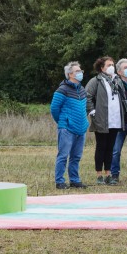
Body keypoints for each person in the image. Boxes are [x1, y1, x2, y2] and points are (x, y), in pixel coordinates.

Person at [85, 56, 127, 186]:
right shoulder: (96, 81)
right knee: (101, 147)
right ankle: (99, 175)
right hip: (102, 120)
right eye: (108, 65)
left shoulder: (117, 80)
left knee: (110, 148)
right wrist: (92, 112)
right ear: (102, 68)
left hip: (115, 119)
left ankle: (108, 174)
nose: (112, 67)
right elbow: (87, 96)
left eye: (113, 64)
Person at [50, 61, 89, 190]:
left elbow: (84, 108)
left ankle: (74, 180)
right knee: (63, 155)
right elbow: (54, 109)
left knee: (76, 157)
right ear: (70, 74)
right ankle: (60, 181)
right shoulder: (62, 90)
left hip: (81, 128)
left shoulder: (82, 89)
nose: (80, 73)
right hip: (67, 127)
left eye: (80, 71)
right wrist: (63, 122)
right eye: (77, 71)